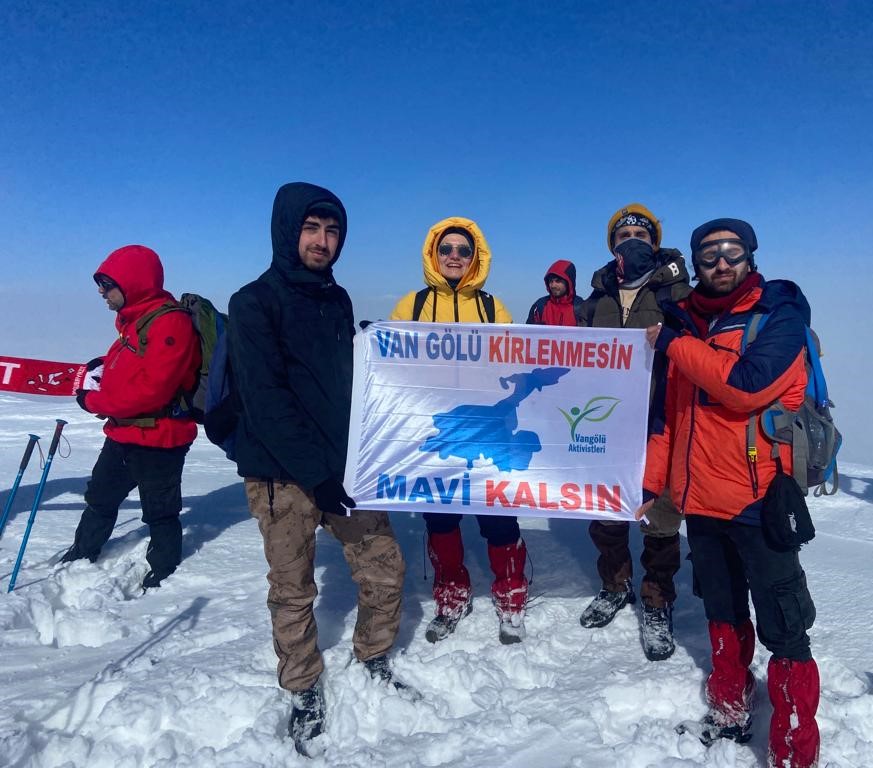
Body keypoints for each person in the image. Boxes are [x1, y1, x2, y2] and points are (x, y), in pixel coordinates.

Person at [228, 182, 408, 756]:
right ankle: (302, 684)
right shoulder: (253, 303)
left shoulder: (339, 300)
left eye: (332, 231)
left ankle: (374, 655)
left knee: (384, 568)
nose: (323, 241)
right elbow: (268, 401)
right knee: (292, 589)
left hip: (343, 466)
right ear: (287, 230)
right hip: (282, 478)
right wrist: (318, 472)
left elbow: (341, 384)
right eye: (311, 228)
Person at [640, 218, 820, 767]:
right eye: (710, 254)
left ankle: (794, 750)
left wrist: (675, 344)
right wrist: (653, 485)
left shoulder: (779, 315)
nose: (721, 262)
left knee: (785, 626)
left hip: (759, 499)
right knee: (721, 608)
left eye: (732, 252)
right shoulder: (686, 320)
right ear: (696, 263)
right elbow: (671, 416)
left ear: (750, 257)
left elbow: (745, 386)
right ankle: (729, 709)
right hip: (698, 500)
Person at [390, 216, 529, 646]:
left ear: (475, 257)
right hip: (439, 436)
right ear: (434, 255)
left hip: (488, 434)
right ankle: (451, 595)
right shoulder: (410, 307)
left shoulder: (492, 308)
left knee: (500, 521)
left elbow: (514, 362)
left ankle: (511, 598)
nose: (454, 256)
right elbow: (392, 371)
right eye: (446, 249)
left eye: (463, 251)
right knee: (441, 522)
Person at [576, 204, 691, 662]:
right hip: (605, 424)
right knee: (606, 517)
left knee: (661, 519)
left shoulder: (676, 292)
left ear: (655, 241)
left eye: (641, 235)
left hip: (660, 419)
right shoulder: (598, 297)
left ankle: (658, 600)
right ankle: (615, 585)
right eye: (623, 234)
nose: (632, 240)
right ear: (612, 244)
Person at [61, 245, 201, 591]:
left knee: (160, 510)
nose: (101, 292)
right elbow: (133, 371)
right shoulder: (133, 321)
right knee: (100, 498)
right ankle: (82, 553)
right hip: (123, 434)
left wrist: (93, 401)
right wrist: (102, 373)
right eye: (100, 284)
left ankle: (164, 570)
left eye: (107, 284)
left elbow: (152, 390)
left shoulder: (171, 322)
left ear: (134, 282)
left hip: (160, 438)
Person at [525, 259, 583, 325]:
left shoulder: (581, 307)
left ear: (568, 282)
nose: (553, 285)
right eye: (550, 281)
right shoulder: (539, 306)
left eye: (558, 281)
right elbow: (528, 333)